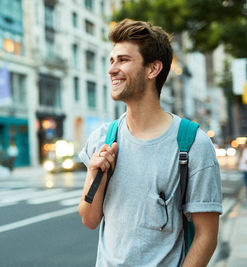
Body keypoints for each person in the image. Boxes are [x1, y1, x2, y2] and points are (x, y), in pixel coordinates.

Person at [78, 19, 222, 267]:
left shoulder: (192, 144)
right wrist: (94, 174)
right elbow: (89, 220)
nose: (112, 69)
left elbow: (206, 235)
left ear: (152, 69)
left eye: (123, 60)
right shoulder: (102, 138)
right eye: (111, 61)